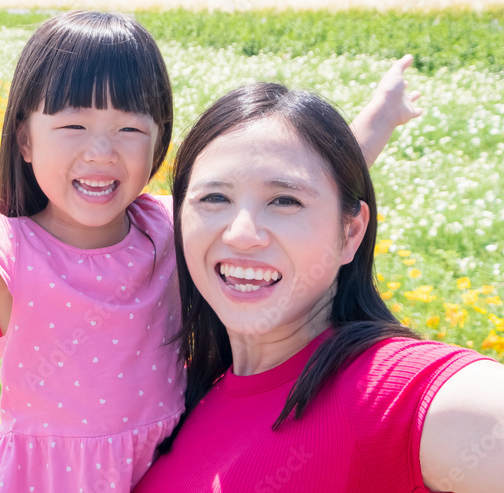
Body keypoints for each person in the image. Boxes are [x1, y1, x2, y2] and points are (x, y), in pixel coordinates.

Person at [0, 11, 417, 492]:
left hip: (168, 462)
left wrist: (376, 121)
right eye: (72, 126)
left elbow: (291, 197)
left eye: (129, 128)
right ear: (25, 139)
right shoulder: (7, 248)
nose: (101, 152)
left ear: (159, 143)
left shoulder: (166, 224)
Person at [133, 82, 504, 493]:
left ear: (350, 234)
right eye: (215, 197)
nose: (241, 233)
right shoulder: (179, 392)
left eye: (285, 201)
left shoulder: (387, 392)